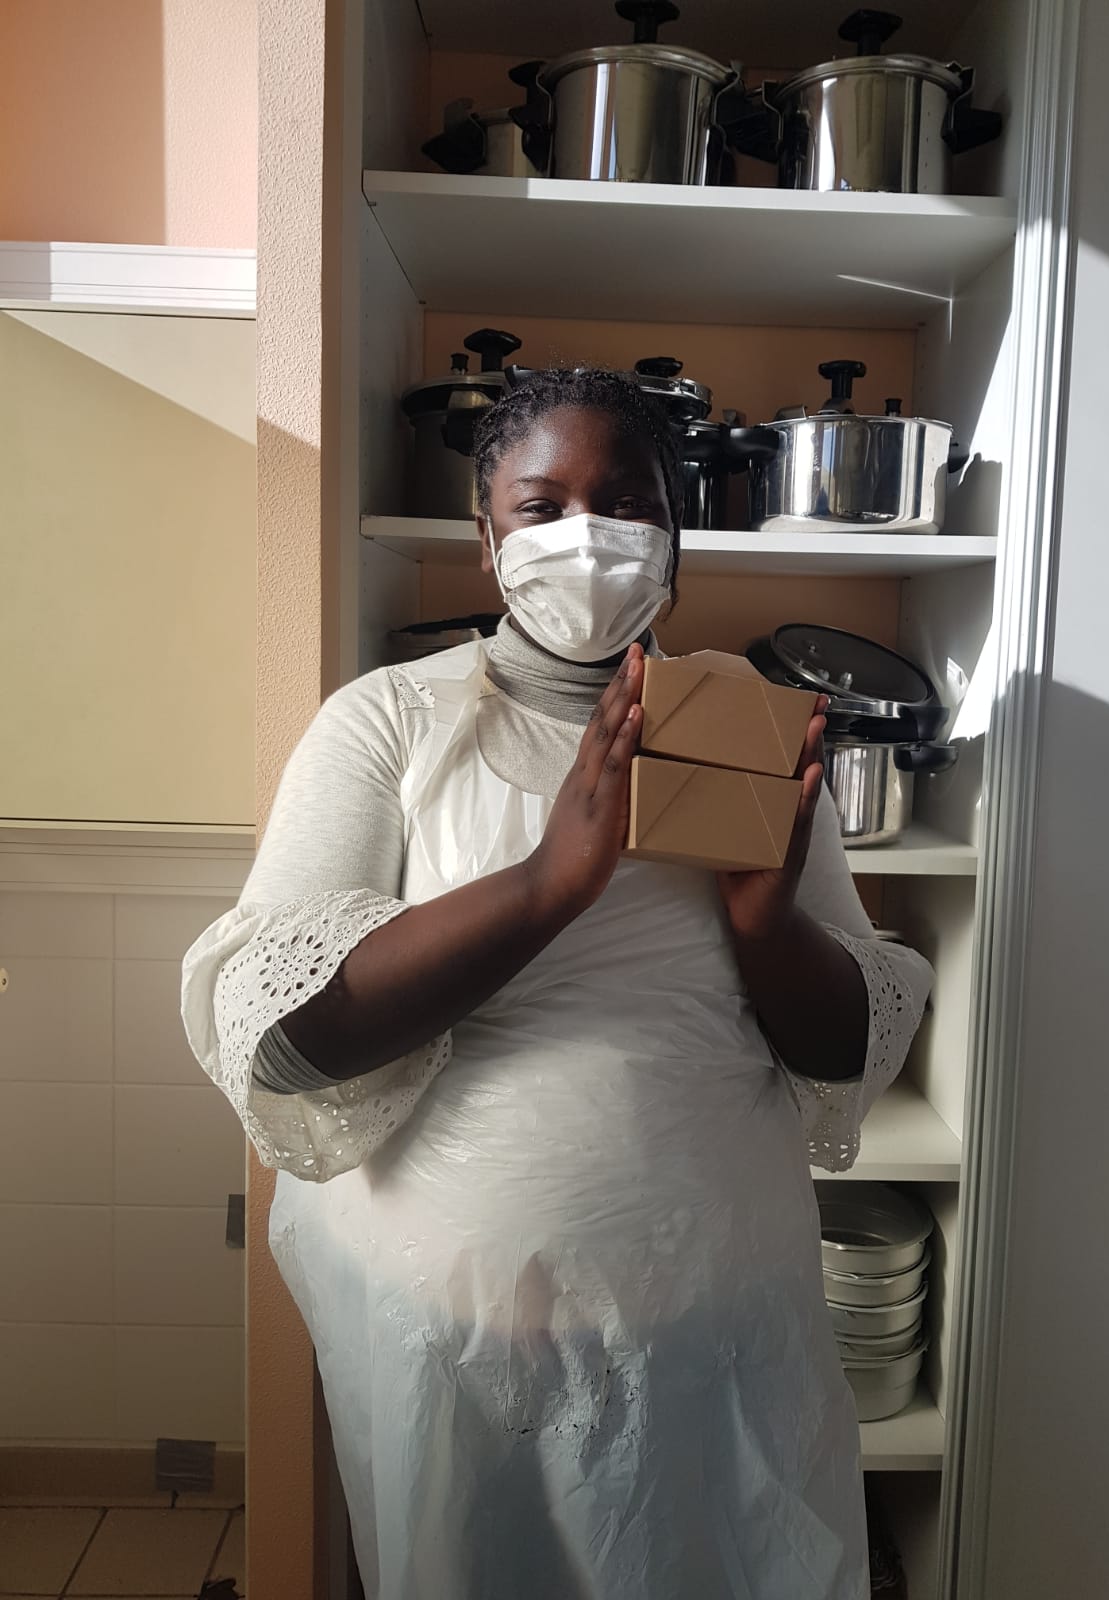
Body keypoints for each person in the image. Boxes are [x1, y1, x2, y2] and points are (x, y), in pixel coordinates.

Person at [182, 368, 932, 1600]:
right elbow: (282, 1038)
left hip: (714, 1322)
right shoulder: (388, 722)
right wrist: (546, 885)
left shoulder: (749, 727)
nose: (588, 536)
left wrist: (765, 923)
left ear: (675, 539)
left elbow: (845, 1045)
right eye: (542, 507)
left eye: (628, 502)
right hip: (457, 1348)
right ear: (487, 541)